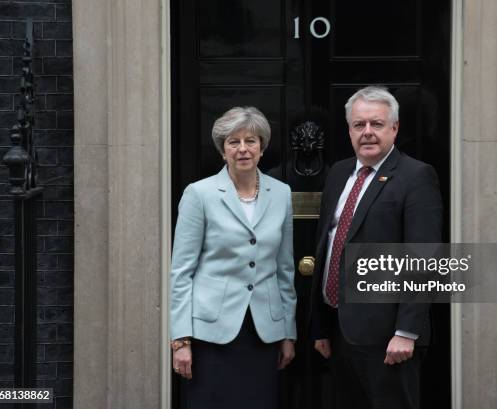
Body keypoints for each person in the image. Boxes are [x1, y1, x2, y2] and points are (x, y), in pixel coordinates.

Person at [309, 86, 443, 409]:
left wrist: (406, 332)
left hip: (389, 339)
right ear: (349, 130)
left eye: (377, 124)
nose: (367, 132)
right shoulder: (339, 173)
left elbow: (422, 260)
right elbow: (327, 245)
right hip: (340, 332)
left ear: (394, 128)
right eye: (359, 125)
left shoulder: (416, 177)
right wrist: (320, 326)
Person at [170, 106, 297, 409]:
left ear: (262, 147)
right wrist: (181, 340)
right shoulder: (198, 194)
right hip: (212, 334)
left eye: (251, 141)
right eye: (233, 142)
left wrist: (288, 332)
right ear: (222, 150)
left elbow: (285, 269)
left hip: (263, 332)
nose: (243, 149)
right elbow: (181, 272)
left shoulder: (281, 193)